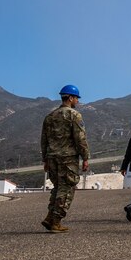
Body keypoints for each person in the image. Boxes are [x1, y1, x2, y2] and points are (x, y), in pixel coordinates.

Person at [40, 84, 90, 232]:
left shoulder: (49, 117)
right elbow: (80, 138)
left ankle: (50, 217)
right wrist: (85, 157)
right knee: (67, 189)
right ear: (70, 98)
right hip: (68, 159)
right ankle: (56, 222)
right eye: (76, 98)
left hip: (52, 158)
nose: (78, 102)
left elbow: (44, 140)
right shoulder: (74, 115)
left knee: (57, 188)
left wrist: (45, 159)